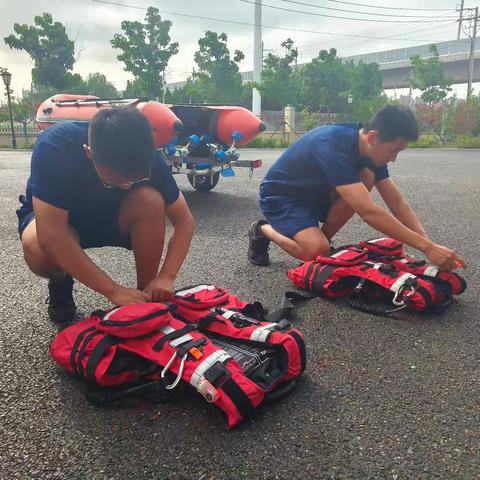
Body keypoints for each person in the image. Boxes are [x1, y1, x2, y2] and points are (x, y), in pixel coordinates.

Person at [17, 107, 194, 328]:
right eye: (117, 180)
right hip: (64, 223)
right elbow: (52, 235)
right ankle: (60, 280)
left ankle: (146, 294)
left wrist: (167, 276)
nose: (128, 184)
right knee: (37, 246)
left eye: (136, 178)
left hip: (114, 217)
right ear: (89, 153)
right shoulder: (55, 147)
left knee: (151, 200)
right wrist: (113, 291)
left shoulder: (145, 154)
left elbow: (184, 221)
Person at [248, 105, 465, 271]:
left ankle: (322, 245)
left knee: (367, 176)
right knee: (315, 250)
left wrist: (429, 244)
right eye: (393, 151)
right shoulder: (332, 145)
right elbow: (368, 212)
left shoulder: (370, 150)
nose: (394, 159)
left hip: (316, 193)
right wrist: (426, 248)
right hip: (283, 197)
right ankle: (262, 230)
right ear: (373, 137)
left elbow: (396, 202)